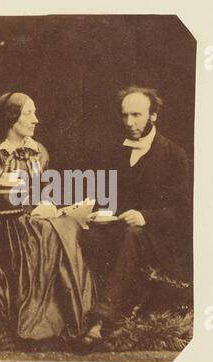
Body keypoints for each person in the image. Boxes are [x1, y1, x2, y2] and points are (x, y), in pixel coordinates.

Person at [0, 92, 96, 349]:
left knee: (67, 225)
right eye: (28, 113)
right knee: (47, 230)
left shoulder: (39, 151)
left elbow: (44, 191)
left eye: (34, 112)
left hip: (37, 216)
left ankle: (73, 319)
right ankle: (39, 323)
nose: (35, 119)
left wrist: (48, 203)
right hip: (6, 220)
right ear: (11, 117)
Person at [82, 86, 192, 346]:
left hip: (158, 239)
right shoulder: (114, 150)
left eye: (137, 115)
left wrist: (145, 216)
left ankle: (99, 322)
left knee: (133, 236)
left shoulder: (174, 155)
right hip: (117, 230)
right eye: (125, 115)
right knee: (84, 234)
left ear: (153, 116)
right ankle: (70, 315)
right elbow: (101, 196)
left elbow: (184, 213)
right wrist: (90, 210)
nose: (129, 123)